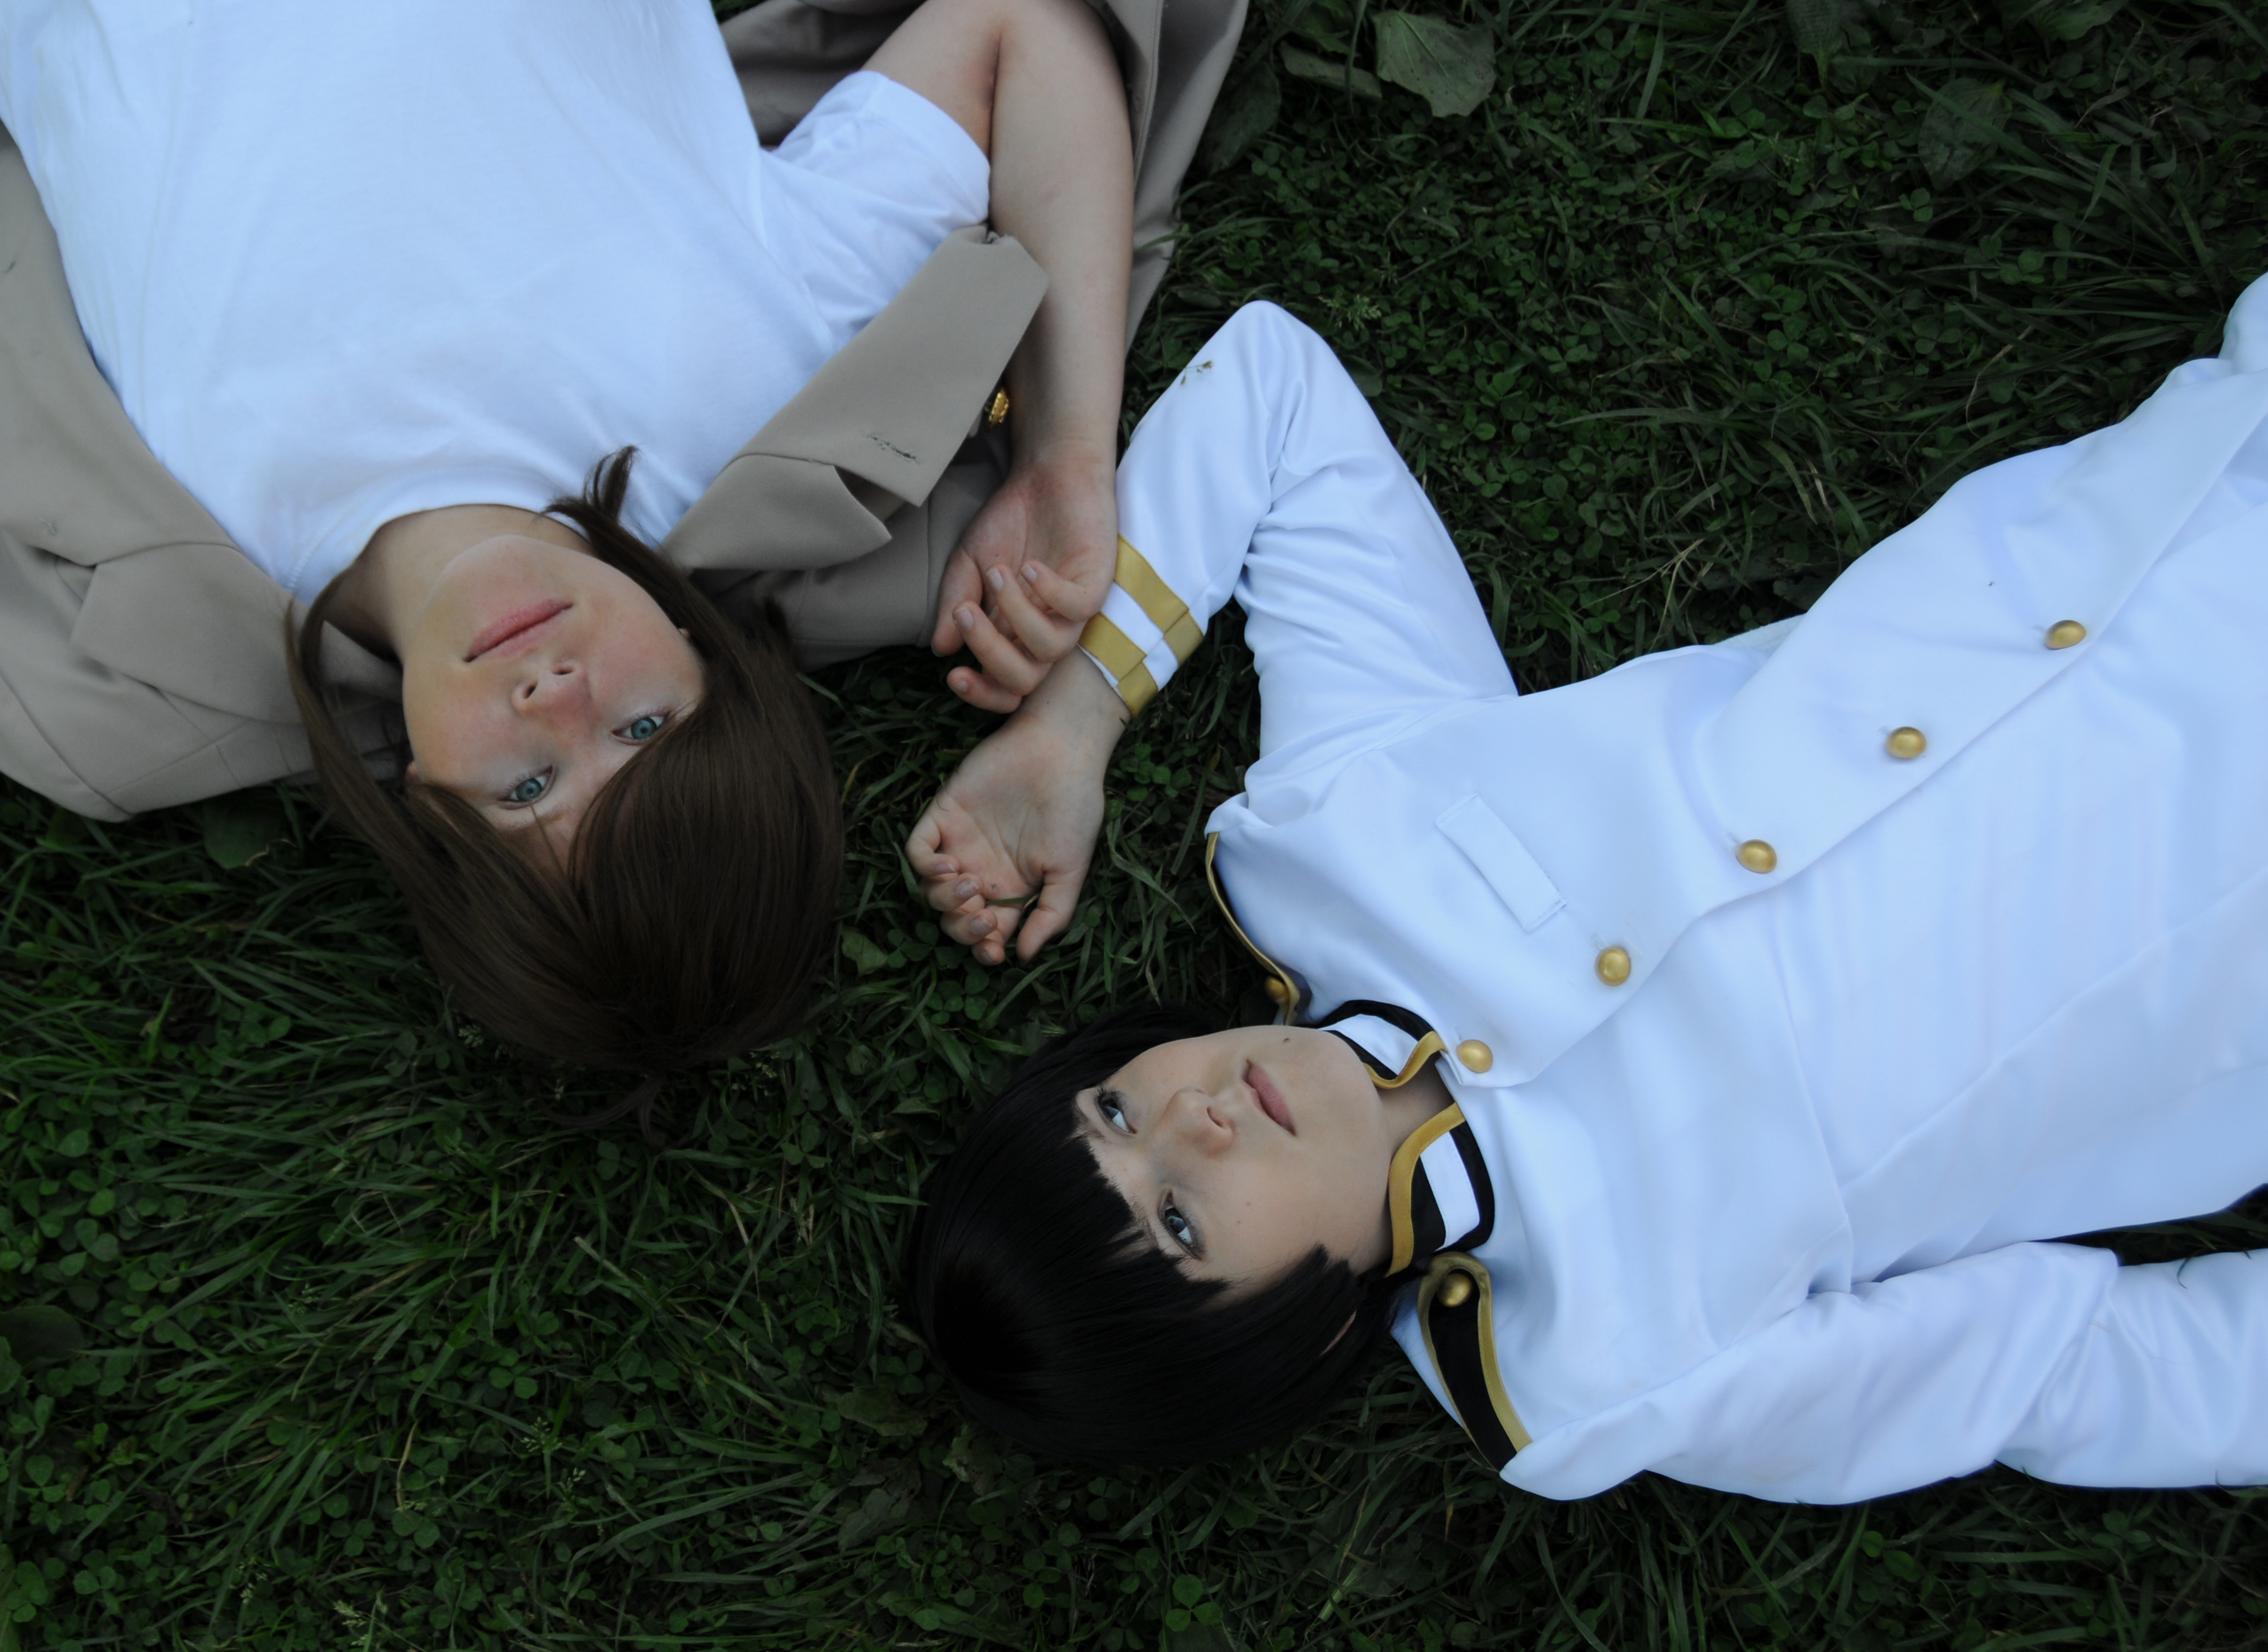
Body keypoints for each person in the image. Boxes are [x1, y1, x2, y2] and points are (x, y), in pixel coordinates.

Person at [897, 284, 2268, 1502]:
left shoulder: (1333, 838)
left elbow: (1276, 398)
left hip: (2204, 522)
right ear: (1290, 1340)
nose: (1192, 1122)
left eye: (1116, 1110)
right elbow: (2083, 1370)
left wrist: (1071, 723)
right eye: (1182, 1223)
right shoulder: (1620, 1371)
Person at [0, 0, 1138, 1073]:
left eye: (526, 789)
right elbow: (1019, 33)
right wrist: (1067, 456)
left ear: (424, 795)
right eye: (643, 728)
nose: (557, 699)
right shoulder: (745, 381)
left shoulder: (186, 548)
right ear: (702, 656)